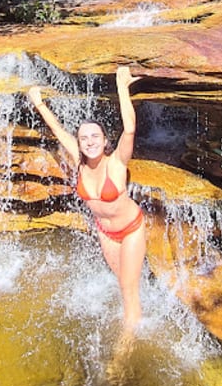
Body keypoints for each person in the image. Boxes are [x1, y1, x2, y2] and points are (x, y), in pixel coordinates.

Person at [27, 65, 147, 335]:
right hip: (105, 232)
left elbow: (129, 130)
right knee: (123, 284)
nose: (89, 142)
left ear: (105, 141)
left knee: (129, 291)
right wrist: (39, 104)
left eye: (95, 137)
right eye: (84, 138)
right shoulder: (79, 160)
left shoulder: (116, 162)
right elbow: (58, 131)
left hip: (130, 229)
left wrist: (121, 86)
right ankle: (137, 316)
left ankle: (125, 351)